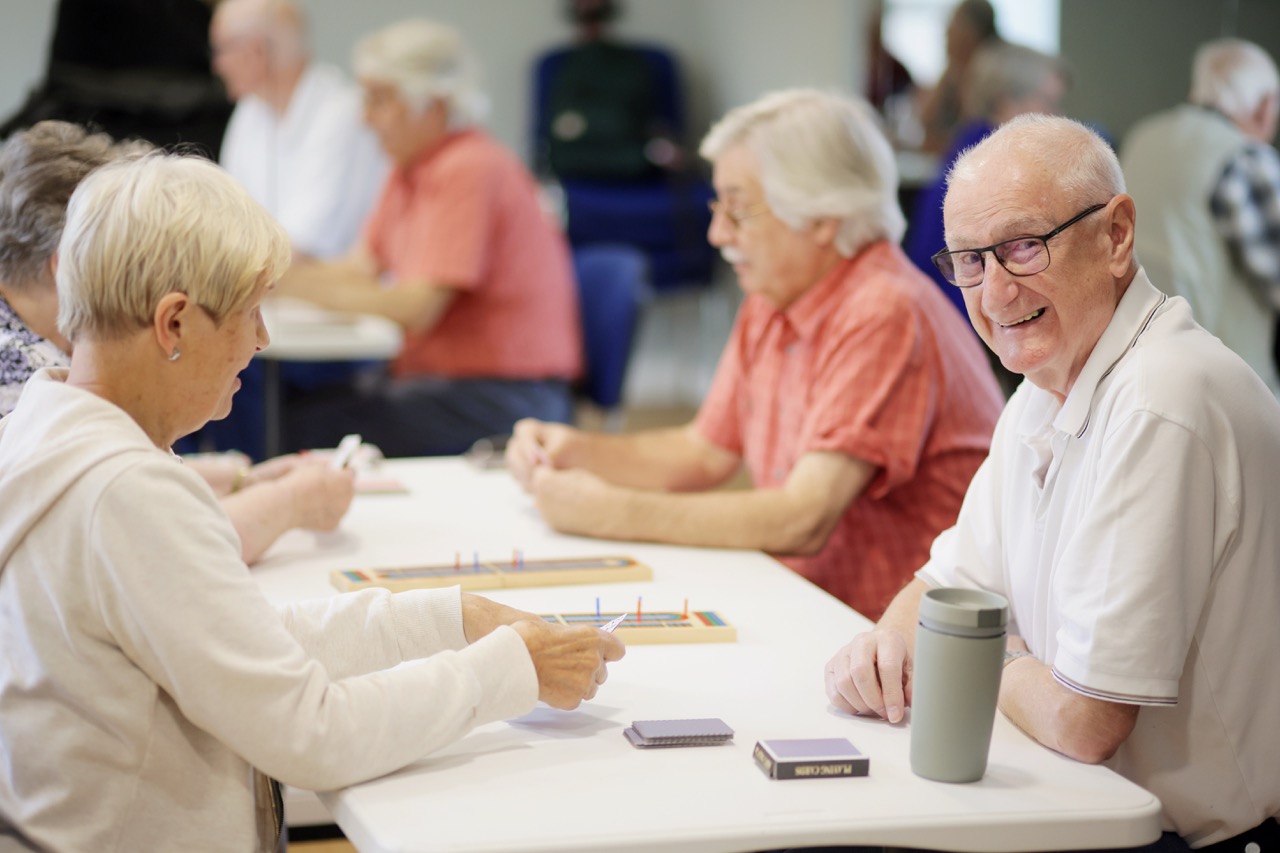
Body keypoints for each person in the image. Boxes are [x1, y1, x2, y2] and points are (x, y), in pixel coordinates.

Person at [0, 151, 624, 852]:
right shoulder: (124, 492)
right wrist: (513, 668)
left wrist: (453, 617)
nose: (263, 339)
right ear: (173, 324)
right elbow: (311, 732)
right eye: (248, 311)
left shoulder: (44, 423)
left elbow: (241, 641)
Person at [826, 114, 1280, 851]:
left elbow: (1085, 718)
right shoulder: (1047, 384)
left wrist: (967, 657)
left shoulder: (1165, 397)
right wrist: (884, 642)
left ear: (1117, 235)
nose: (994, 292)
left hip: (1196, 838)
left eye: (1022, 246)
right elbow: (946, 586)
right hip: (1091, 804)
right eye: (969, 260)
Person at [507, 89, 1004, 621]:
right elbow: (704, 452)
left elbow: (802, 518)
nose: (718, 233)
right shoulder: (778, 291)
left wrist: (607, 512)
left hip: (895, 642)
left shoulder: (883, 309)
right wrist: (575, 450)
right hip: (822, 610)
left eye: (739, 210)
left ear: (821, 217)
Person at [0, 120, 354, 565]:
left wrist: (243, 480)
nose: (261, 337)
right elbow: (155, 541)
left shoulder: (47, 384)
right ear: (67, 264)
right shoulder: (19, 371)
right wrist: (293, 501)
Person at [277, 18, 581, 458]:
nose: (365, 118)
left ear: (434, 106)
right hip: (450, 380)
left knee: (296, 425)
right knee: (296, 404)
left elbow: (415, 308)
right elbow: (358, 270)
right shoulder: (407, 168)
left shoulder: (468, 168)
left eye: (380, 100)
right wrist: (270, 274)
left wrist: (279, 282)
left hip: (507, 395)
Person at [1121, 38, 1280, 397]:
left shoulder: (1143, 136)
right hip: (1228, 384)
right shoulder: (1247, 159)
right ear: (1265, 107)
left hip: (1140, 370)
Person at [211, 0, 387, 263]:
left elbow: (301, 249)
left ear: (256, 51)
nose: (218, 65)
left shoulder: (342, 114)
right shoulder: (250, 110)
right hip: (266, 289)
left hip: (323, 296)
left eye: (221, 50)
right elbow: (222, 218)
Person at [917, 0, 1002, 154]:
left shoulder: (989, 71)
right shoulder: (954, 69)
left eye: (954, 24)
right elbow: (924, 121)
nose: (946, 33)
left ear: (972, 32)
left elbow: (968, 137)